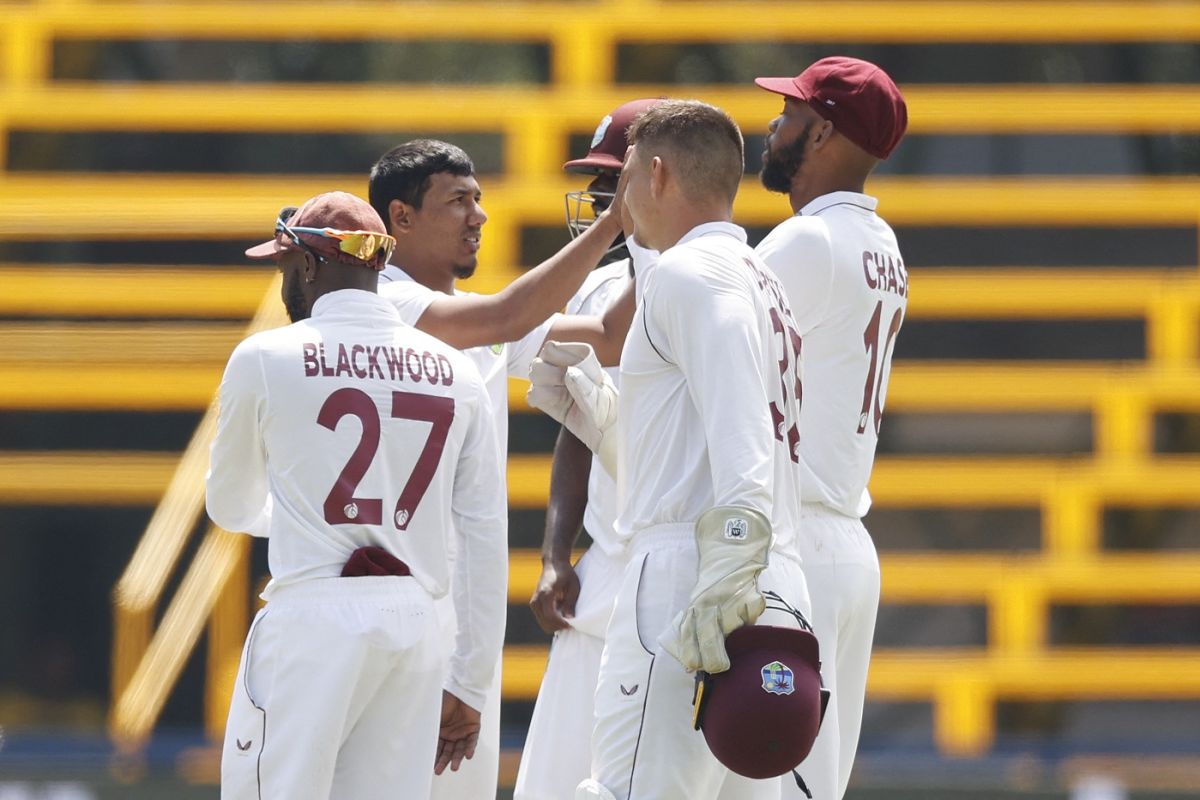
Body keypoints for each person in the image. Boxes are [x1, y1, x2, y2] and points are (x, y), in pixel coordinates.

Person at [530, 100, 815, 800]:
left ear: (655, 173)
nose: (619, 195)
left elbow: (739, 427)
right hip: (766, 566)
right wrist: (599, 415)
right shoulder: (760, 276)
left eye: (624, 173)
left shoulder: (687, 273)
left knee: (629, 790)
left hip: (697, 570)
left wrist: (728, 566)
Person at [207, 191, 508, 799]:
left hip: (314, 616)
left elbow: (230, 505)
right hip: (417, 622)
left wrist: (306, 516)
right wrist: (471, 683)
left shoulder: (265, 355)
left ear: (312, 265)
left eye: (286, 266)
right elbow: (483, 534)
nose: (284, 281)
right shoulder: (456, 370)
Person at [366, 139, 636, 799]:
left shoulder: (476, 317)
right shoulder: (383, 305)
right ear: (400, 220)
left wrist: (668, 249)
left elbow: (608, 338)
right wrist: (615, 221)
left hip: (460, 617)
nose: (478, 216)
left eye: (480, 199)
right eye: (458, 201)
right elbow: (506, 315)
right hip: (394, 605)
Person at [753, 56, 909, 799]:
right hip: (846, 542)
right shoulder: (884, 248)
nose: (773, 127)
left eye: (788, 116)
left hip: (794, 547)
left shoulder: (806, 242)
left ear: (822, 133)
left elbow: (706, 353)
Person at [515, 98, 661, 800]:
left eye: (613, 184)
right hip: (633, 565)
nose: (601, 201)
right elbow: (579, 422)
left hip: (637, 570)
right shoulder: (741, 273)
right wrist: (553, 553)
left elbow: (515, 337)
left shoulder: (619, 285)